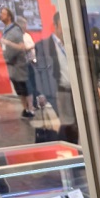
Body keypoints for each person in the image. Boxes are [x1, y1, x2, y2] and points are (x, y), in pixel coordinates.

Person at [34, 12, 78, 143]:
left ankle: (75, 152)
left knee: (75, 129)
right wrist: (42, 96)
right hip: (59, 93)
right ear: (55, 25)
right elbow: (40, 74)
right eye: (63, 25)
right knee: (62, 130)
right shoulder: (43, 46)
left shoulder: (75, 45)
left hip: (75, 93)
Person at [0, 7, 33, 118]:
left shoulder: (15, 30)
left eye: (3, 14)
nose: (1, 15)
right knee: (19, 90)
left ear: (9, 16)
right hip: (12, 67)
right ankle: (25, 109)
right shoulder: (5, 31)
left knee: (25, 89)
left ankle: (30, 109)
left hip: (19, 66)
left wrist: (6, 44)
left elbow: (19, 47)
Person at [16, 16, 37, 113]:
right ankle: (28, 107)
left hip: (31, 63)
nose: (26, 26)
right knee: (26, 87)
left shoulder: (27, 35)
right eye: (25, 24)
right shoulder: (17, 37)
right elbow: (21, 50)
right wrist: (31, 47)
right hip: (23, 65)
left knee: (33, 84)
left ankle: (34, 104)